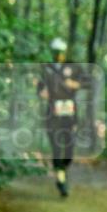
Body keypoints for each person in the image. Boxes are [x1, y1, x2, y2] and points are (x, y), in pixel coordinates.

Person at [38, 38, 81, 197]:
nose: (58, 55)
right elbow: (40, 90)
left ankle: (63, 168)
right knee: (56, 148)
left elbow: (81, 84)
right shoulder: (46, 69)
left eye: (60, 52)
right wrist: (44, 93)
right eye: (55, 52)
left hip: (69, 113)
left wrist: (71, 84)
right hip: (52, 114)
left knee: (69, 148)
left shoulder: (72, 67)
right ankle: (61, 180)